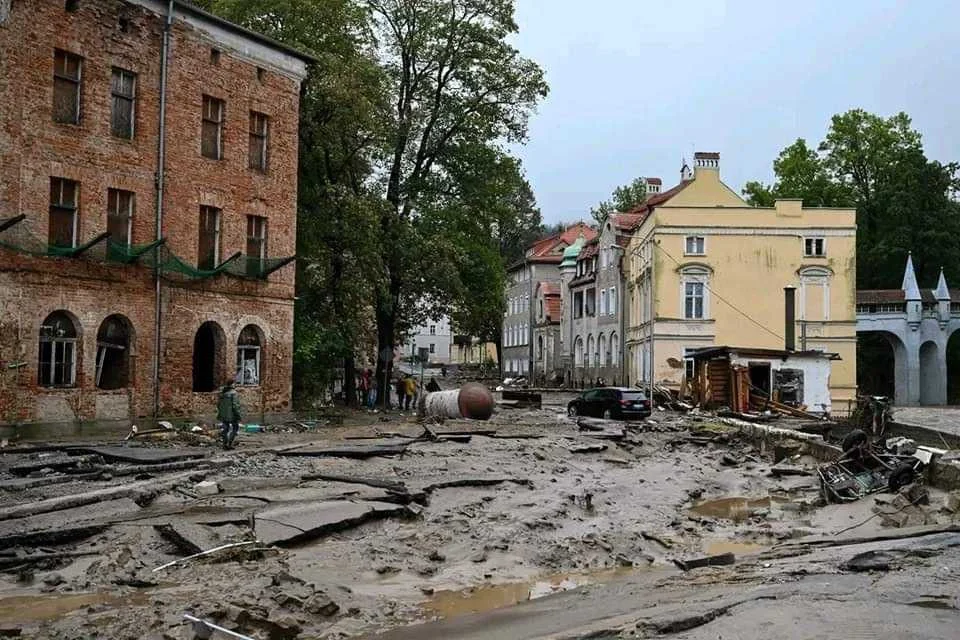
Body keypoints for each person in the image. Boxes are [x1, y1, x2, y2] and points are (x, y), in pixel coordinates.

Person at [217, 380, 242, 449]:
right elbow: (235, 406)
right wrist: (238, 415)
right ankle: (229, 443)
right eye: (234, 384)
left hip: (223, 415)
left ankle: (224, 444)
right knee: (235, 428)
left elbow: (218, 405)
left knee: (225, 429)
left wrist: (221, 412)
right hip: (232, 414)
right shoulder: (234, 393)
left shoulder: (222, 393)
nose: (235, 385)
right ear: (231, 385)